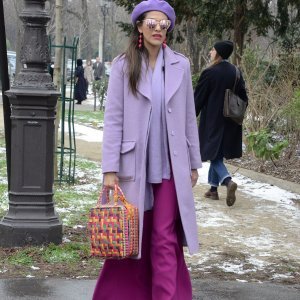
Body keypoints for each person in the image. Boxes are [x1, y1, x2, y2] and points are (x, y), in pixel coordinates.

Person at [92, 0, 202, 299]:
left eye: (164, 24)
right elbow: (114, 120)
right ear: (139, 26)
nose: (158, 29)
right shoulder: (123, 65)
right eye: (152, 23)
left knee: (164, 237)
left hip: (170, 166)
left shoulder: (180, 64)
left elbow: (188, 117)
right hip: (133, 166)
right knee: (133, 237)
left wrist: (193, 162)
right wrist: (109, 170)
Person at [194, 40, 248, 206]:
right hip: (230, 120)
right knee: (216, 153)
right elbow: (244, 99)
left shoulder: (210, 72)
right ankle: (213, 190)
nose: (210, 52)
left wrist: (190, 117)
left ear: (217, 53)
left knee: (213, 154)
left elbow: (198, 99)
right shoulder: (236, 72)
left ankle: (227, 181)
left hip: (212, 120)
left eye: (212, 50)